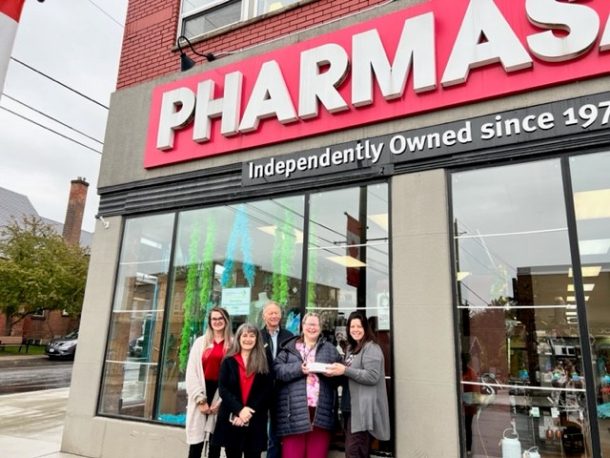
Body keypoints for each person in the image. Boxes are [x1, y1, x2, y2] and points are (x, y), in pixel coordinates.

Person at [274, 312, 342, 458]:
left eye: (315, 324)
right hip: (293, 413)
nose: (312, 327)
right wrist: (299, 368)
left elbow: (341, 377)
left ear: (321, 328)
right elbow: (277, 371)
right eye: (309, 324)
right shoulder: (289, 348)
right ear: (302, 326)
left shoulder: (330, 349)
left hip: (321, 413)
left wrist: (332, 374)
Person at [326, 311, 390, 458]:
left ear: (365, 328)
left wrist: (345, 370)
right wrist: (334, 372)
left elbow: (372, 376)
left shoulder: (371, 347)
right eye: (352, 326)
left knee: (354, 452)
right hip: (349, 407)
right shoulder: (351, 348)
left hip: (362, 411)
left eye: (359, 326)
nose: (355, 329)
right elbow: (349, 375)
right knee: (355, 452)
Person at [212, 323, 273, 458]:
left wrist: (248, 411)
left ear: (257, 339)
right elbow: (223, 389)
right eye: (244, 335)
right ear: (239, 338)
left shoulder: (264, 360)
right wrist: (239, 410)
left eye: (252, 336)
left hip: (255, 419)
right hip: (232, 419)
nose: (248, 339)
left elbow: (267, 390)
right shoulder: (228, 360)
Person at [185, 306, 233, 458]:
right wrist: (200, 399)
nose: (217, 322)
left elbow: (235, 374)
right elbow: (191, 372)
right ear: (210, 322)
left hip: (221, 393)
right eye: (214, 319)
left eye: (220, 319)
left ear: (226, 321)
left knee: (215, 444)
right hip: (202, 391)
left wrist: (221, 401)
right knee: (196, 444)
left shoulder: (233, 344)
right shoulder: (200, 342)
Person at [260, 301, 294, 458]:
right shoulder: (257, 336)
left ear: (281, 316)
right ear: (264, 316)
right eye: (270, 313)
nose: (274, 316)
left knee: (276, 431)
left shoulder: (289, 336)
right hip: (261, 388)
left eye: (276, 313)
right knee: (259, 426)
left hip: (282, 389)